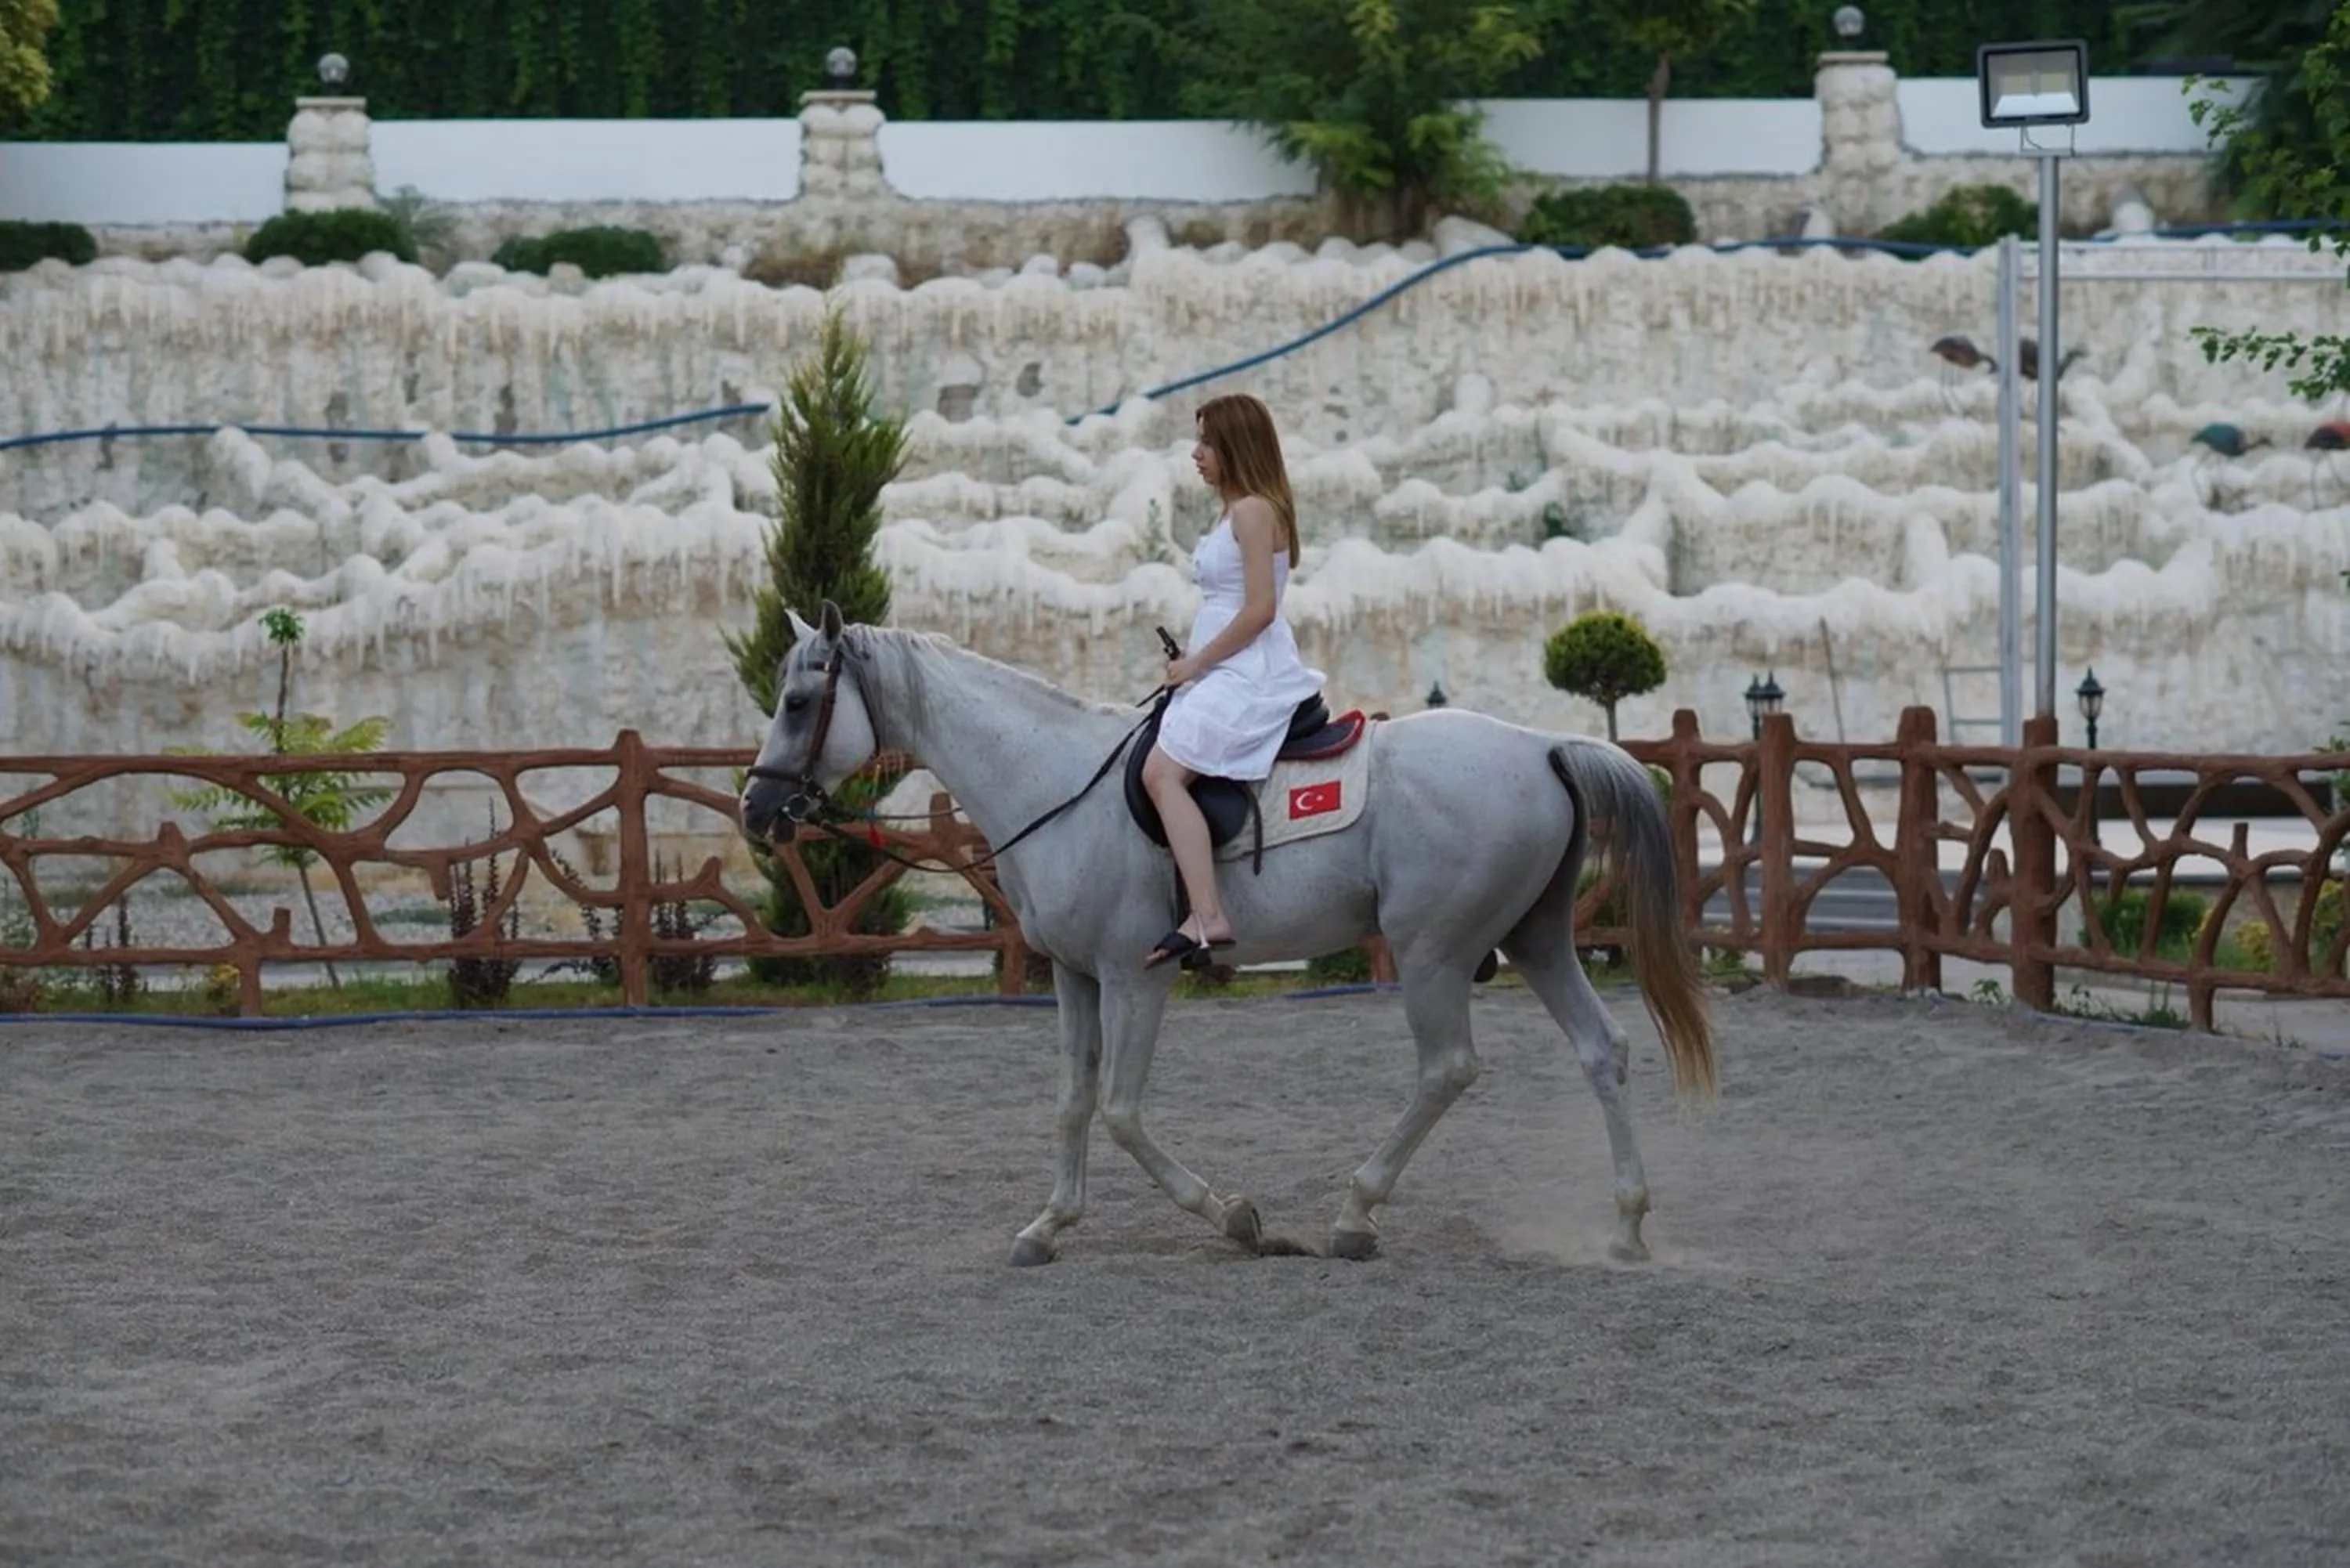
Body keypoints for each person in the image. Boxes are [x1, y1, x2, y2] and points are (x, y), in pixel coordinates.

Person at [1139, 392, 1325, 968]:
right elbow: (1230, 606)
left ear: (1235, 446)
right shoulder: (1237, 510)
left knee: (1161, 773)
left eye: (1207, 442)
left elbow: (1260, 609)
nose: (1196, 454)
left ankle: (1208, 915)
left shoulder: (1252, 511)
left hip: (1248, 672)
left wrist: (1198, 664)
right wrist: (1193, 657)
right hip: (1226, 663)